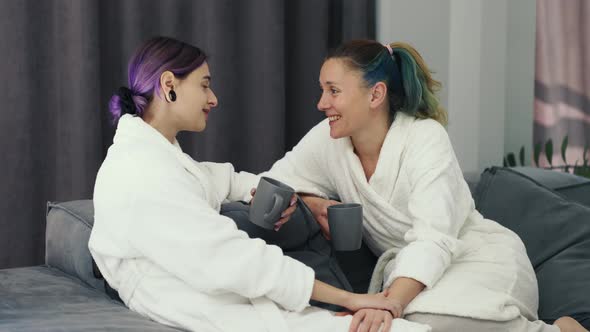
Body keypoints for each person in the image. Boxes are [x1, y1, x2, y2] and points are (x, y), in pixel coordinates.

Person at [88, 36, 419, 332]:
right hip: (194, 301)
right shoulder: (143, 173)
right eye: (204, 85)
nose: (213, 98)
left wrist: (277, 193)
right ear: (169, 84)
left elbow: (223, 179)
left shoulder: (162, 159)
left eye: (333, 91)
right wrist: (350, 299)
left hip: (218, 293)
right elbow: (235, 260)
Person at [262, 39, 588, 332]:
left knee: (425, 322)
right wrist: (315, 204)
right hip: (410, 273)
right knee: (412, 325)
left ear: (376, 94)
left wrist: (390, 305)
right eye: (322, 90)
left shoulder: (425, 137)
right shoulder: (328, 140)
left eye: (333, 91)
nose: (321, 103)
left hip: (472, 257)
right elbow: (274, 180)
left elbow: (434, 236)